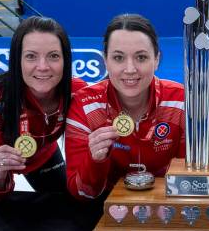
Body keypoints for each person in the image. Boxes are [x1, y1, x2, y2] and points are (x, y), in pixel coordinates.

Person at [0, 16, 86, 199]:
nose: (42, 67)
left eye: (53, 56)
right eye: (31, 56)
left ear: (65, 60)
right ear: (17, 60)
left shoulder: (77, 92)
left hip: (42, 154)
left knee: (68, 205)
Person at [65, 14, 185, 200]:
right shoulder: (85, 106)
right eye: (118, 57)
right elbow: (81, 193)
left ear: (157, 59)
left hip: (169, 207)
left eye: (141, 57)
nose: (130, 69)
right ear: (105, 60)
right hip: (106, 208)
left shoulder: (181, 102)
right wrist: (95, 161)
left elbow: (191, 180)